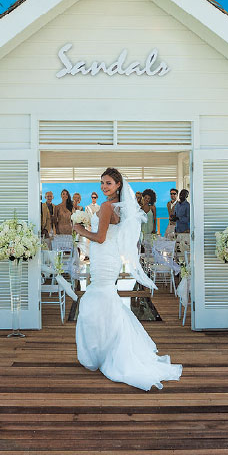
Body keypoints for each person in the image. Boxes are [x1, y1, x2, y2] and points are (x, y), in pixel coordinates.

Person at [72, 167, 182, 391]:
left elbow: (100, 237)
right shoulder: (120, 208)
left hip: (103, 258)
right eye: (102, 183)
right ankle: (108, 349)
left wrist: (80, 229)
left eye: (109, 183)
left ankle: (106, 351)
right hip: (110, 258)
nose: (104, 187)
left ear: (118, 185)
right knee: (105, 301)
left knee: (94, 301)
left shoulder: (106, 206)